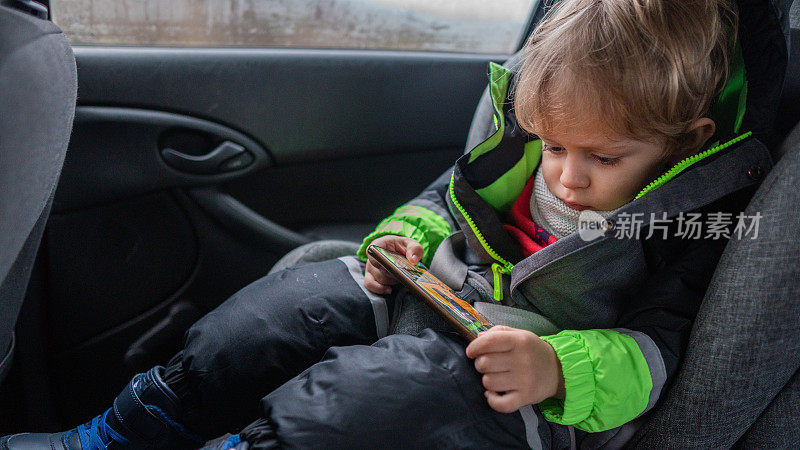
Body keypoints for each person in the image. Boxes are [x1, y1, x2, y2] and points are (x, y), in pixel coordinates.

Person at [2, 0, 776, 448]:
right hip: (436, 301)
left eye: (602, 159)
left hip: (524, 392)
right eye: (555, 147)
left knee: (378, 398)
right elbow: (442, 201)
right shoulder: (527, 149)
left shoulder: (688, 224)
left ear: (686, 141)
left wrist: (557, 368)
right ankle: (113, 435)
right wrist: (402, 244)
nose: (567, 177)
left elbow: (656, 350)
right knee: (275, 315)